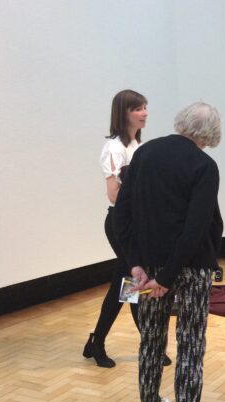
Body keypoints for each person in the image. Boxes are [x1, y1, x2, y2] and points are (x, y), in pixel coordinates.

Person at [114, 101, 225, 402]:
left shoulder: (144, 154)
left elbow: (121, 216)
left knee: (149, 337)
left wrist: (135, 264)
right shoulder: (204, 165)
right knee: (191, 343)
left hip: (142, 271)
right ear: (209, 134)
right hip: (188, 269)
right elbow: (197, 228)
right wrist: (168, 275)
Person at [83, 90, 171, 368]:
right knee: (129, 282)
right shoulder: (114, 148)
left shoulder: (135, 145)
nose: (145, 113)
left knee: (127, 284)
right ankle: (142, 343)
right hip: (122, 224)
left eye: (145, 107)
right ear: (124, 113)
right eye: (138, 109)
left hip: (136, 224)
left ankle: (99, 342)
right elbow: (114, 195)